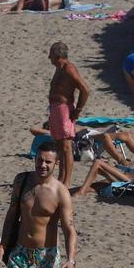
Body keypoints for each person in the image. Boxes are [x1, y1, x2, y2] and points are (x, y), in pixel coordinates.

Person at [46, 42, 89, 186]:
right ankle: (61, 178)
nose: (49, 57)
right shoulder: (59, 68)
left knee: (66, 147)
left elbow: (85, 89)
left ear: (58, 56)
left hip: (64, 109)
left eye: (51, 55)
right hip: (56, 109)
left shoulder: (69, 68)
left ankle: (67, 182)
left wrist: (78, 110)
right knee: (59, 147)